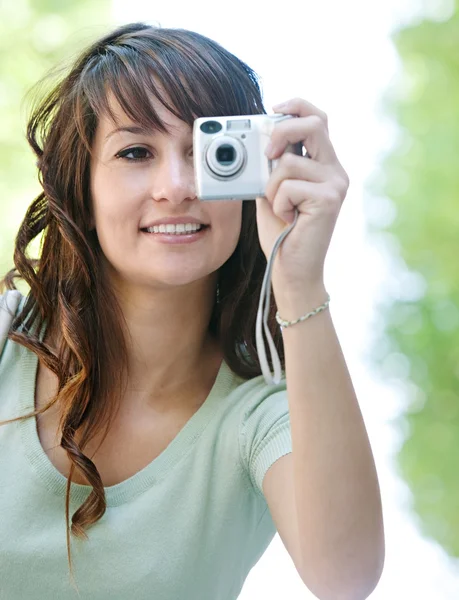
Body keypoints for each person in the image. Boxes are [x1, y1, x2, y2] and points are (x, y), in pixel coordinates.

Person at [0, 22, 384, 600]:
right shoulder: (7, 338)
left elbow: (346, 578)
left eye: (209, 152)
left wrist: (300, 280)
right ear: (81, 186)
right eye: (135, 152)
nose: (176, 186)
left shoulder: (260, 416)